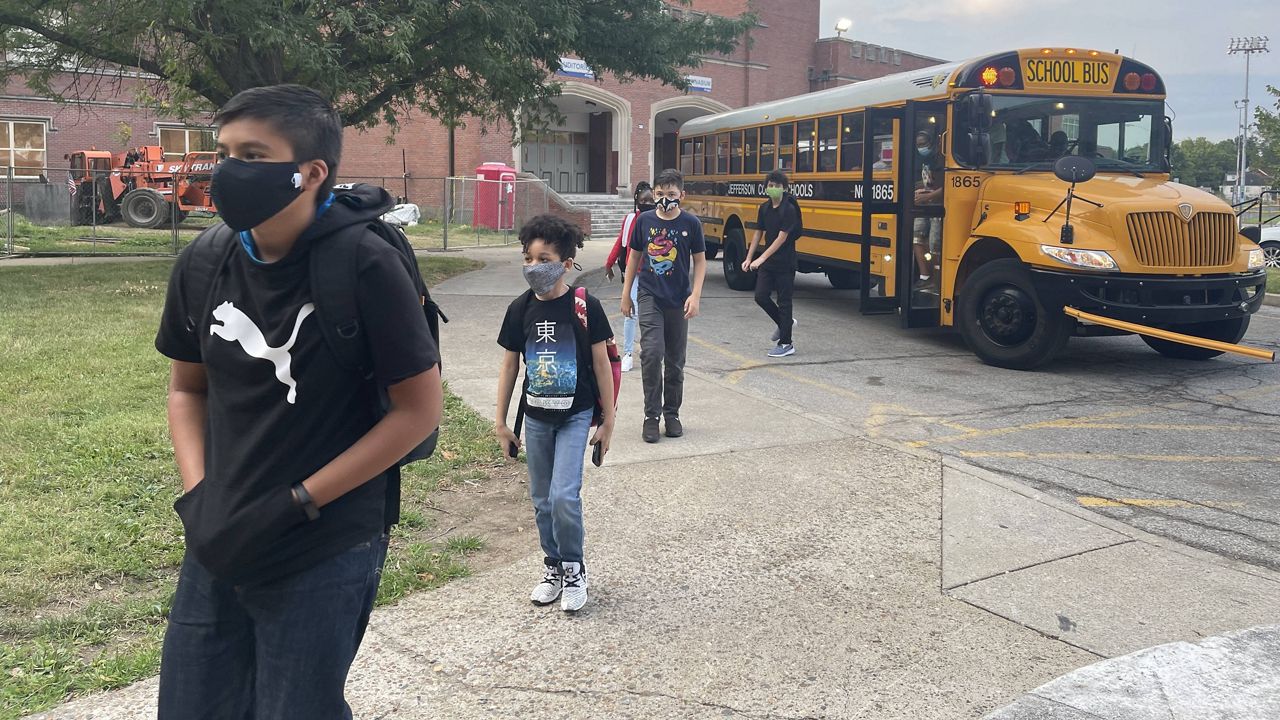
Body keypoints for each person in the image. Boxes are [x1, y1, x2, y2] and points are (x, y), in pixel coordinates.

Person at [154, 84, 443, 719]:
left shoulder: (366, 263)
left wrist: (299, 502)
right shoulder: (205, 261)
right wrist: (201, 496)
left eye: (253, 153)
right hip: (221, 532)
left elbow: (418, 413)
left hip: (326, 540)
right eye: (223, 150)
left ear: (310, 172)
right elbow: (186, 389)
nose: (228, 169)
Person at [495, 214, 615, 613]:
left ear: (565, 263)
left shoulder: (585, 307)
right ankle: (553, 566)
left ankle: (575, 567)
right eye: (527, 258)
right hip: (537, 418)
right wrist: (501, 422)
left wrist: (608, 421)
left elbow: (601, 365)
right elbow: (510, 366)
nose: (533, 267)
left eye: (543, 258)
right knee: (542, 500)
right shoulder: (519, 309)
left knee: (564, 496)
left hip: (575, 415)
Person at [621, 168, 706, 444]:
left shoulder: (691, 224)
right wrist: (626, 294)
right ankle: (651, 415)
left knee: (675, 361)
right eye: (660, 194)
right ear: (653, 194)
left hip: (679, 299)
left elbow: (701, 261)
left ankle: (672, 413)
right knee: (651, 352)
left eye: (671, 194)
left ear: (682, 195)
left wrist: (696, 295)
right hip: (649, 295)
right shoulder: (643, 221)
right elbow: (633, 257)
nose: (665, 199)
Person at [743, 169, 801, 358]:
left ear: (784, 189)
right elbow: (758, 233)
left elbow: (781, 238)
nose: (773, 189)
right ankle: (786, 324)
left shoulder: (789, 209)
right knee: (760, 296)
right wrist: (749, 257)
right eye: (770, 186)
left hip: (785, 262)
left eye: (777, 186)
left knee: (784, 302)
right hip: (768, 262)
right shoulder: (765, 208)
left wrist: (762, 258)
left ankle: (786, 343)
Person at [605, 182, 656, 372]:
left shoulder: (659, 219)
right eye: (644, 200)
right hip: (634, 274)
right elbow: (621, 243)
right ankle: (627, 354)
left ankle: (652, 352)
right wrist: (609, 264)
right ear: (637, 201)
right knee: (631, 313)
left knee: (652, 314)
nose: (648, 203)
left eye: (651, 200)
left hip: (654, 274)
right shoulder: (629, 220)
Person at [912, 128, 944, 289]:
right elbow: (927, 183)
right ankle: (925, 276)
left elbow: (949, 186)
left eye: (924, 144)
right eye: (918, 145)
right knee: (917, 238)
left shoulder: (944, 158)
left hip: (937, 207)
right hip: (924, 204)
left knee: (934, 244)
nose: (921, 147)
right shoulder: (922, 161)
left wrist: (928, 196)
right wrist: (921, 190)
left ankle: (937, 280)